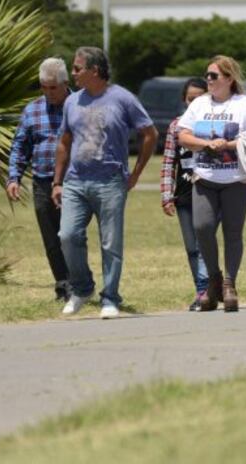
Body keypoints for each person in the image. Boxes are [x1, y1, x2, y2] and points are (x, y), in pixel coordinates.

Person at [52, 47, 158, 319]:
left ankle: (110, 297)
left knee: (110, 243)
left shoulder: (122, 98)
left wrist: (135, 173)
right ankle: (83, 288)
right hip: (75, 181)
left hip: (110, 181)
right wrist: (57, 181)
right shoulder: (72, 102)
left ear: (94, 70)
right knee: (67, 236)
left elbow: (149, 134)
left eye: (77, 69)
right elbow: (64, 141)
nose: (72, 74)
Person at [178, 56, 246, 313]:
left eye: (214, 76)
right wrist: (207, 144)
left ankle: (229, 284)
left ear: (229, 79)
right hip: (204, 177)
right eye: (207, 75)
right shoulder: (199, 104)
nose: (208, 80)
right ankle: (214, 280)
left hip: (236, 179)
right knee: (202, 227)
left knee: (232, 232)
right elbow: (183, 134)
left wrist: (228, 145)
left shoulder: (244, 104)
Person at [7, 57, 72, 302]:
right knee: (51, 237)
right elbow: (20, 146)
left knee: (71, 234)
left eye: (53, 87)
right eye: (43, 87)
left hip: (73, 182)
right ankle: (63, 283)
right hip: (42, 183)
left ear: (65, 83)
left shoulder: (79, 106)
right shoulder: (32, 110)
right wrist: (14, 177)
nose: (48, 92)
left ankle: (78, 280)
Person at [159, 77, 210, 311]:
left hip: (210, 192)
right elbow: (169, 161)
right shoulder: (175, 126)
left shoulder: (212, 124)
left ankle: (213, 287)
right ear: (184, 100)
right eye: (191, 99)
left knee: (207, 244)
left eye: (200, 98)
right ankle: (201, 290)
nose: (195, 103)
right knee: (192, 247)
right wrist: (166, 194)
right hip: (184, 194)